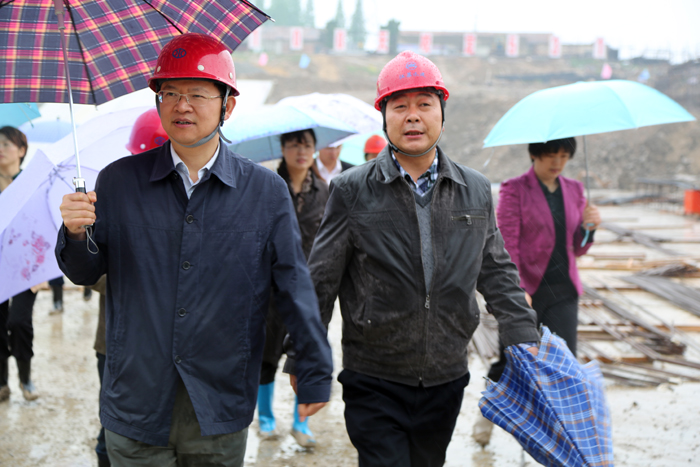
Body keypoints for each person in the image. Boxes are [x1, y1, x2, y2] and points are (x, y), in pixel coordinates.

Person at [55, 33, 332, 467]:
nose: (181, 106)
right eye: (169, 93)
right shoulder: (118, 182)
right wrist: (74, 233)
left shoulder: (264, 192)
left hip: (219, 400)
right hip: (137, 398)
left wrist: (313, 364)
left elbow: (292, 284)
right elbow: (85, 272)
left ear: (228, 105)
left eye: (198, 94)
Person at [294, 51, 540, 466]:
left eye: (424, 104)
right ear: (383, 116)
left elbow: (497, 270)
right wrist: (304, 358)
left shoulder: (474, 190)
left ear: (442, 114)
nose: (412, 116)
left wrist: (523, 337)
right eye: (400, 106)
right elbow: (320, 280)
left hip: (446, 374)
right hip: (373, 374)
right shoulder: (352, 190)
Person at [474, 137, 602, 446]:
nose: (557, 162)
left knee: (564, 363)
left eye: (563, 156)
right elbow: (506, 243)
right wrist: (516, 289)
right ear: (535, 154)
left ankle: (559, 438)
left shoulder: (575, 190)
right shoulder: (514, 189)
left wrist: (589, 228)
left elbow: (577, 247)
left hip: (563, 290)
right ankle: (487, 414)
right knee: (513, 359)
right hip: (526, 291)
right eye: (550, 155)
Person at [89, 108, 169, 467]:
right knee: (114, 425)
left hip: (168, 343)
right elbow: (91, 272)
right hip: (116, 340)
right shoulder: (112, 197)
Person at [257, 129, 329, 448]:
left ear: (315, 150)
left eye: (307, 145)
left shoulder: (324, 192)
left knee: (306, 352)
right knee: (267, 353)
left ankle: (302, 423)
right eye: (294, 145)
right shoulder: (268, 188)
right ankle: (265, 418)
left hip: (309, 290)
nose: (301, 151)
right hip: (270, 288)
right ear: (282, 149)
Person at [0, 126, 40, 402]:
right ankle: (2, 382)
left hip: (26, 268)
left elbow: (43, 226)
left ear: (22, 150)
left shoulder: (31, 184)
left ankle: (25, 377)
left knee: (19, 321)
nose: (1, 149)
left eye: (6, 144)